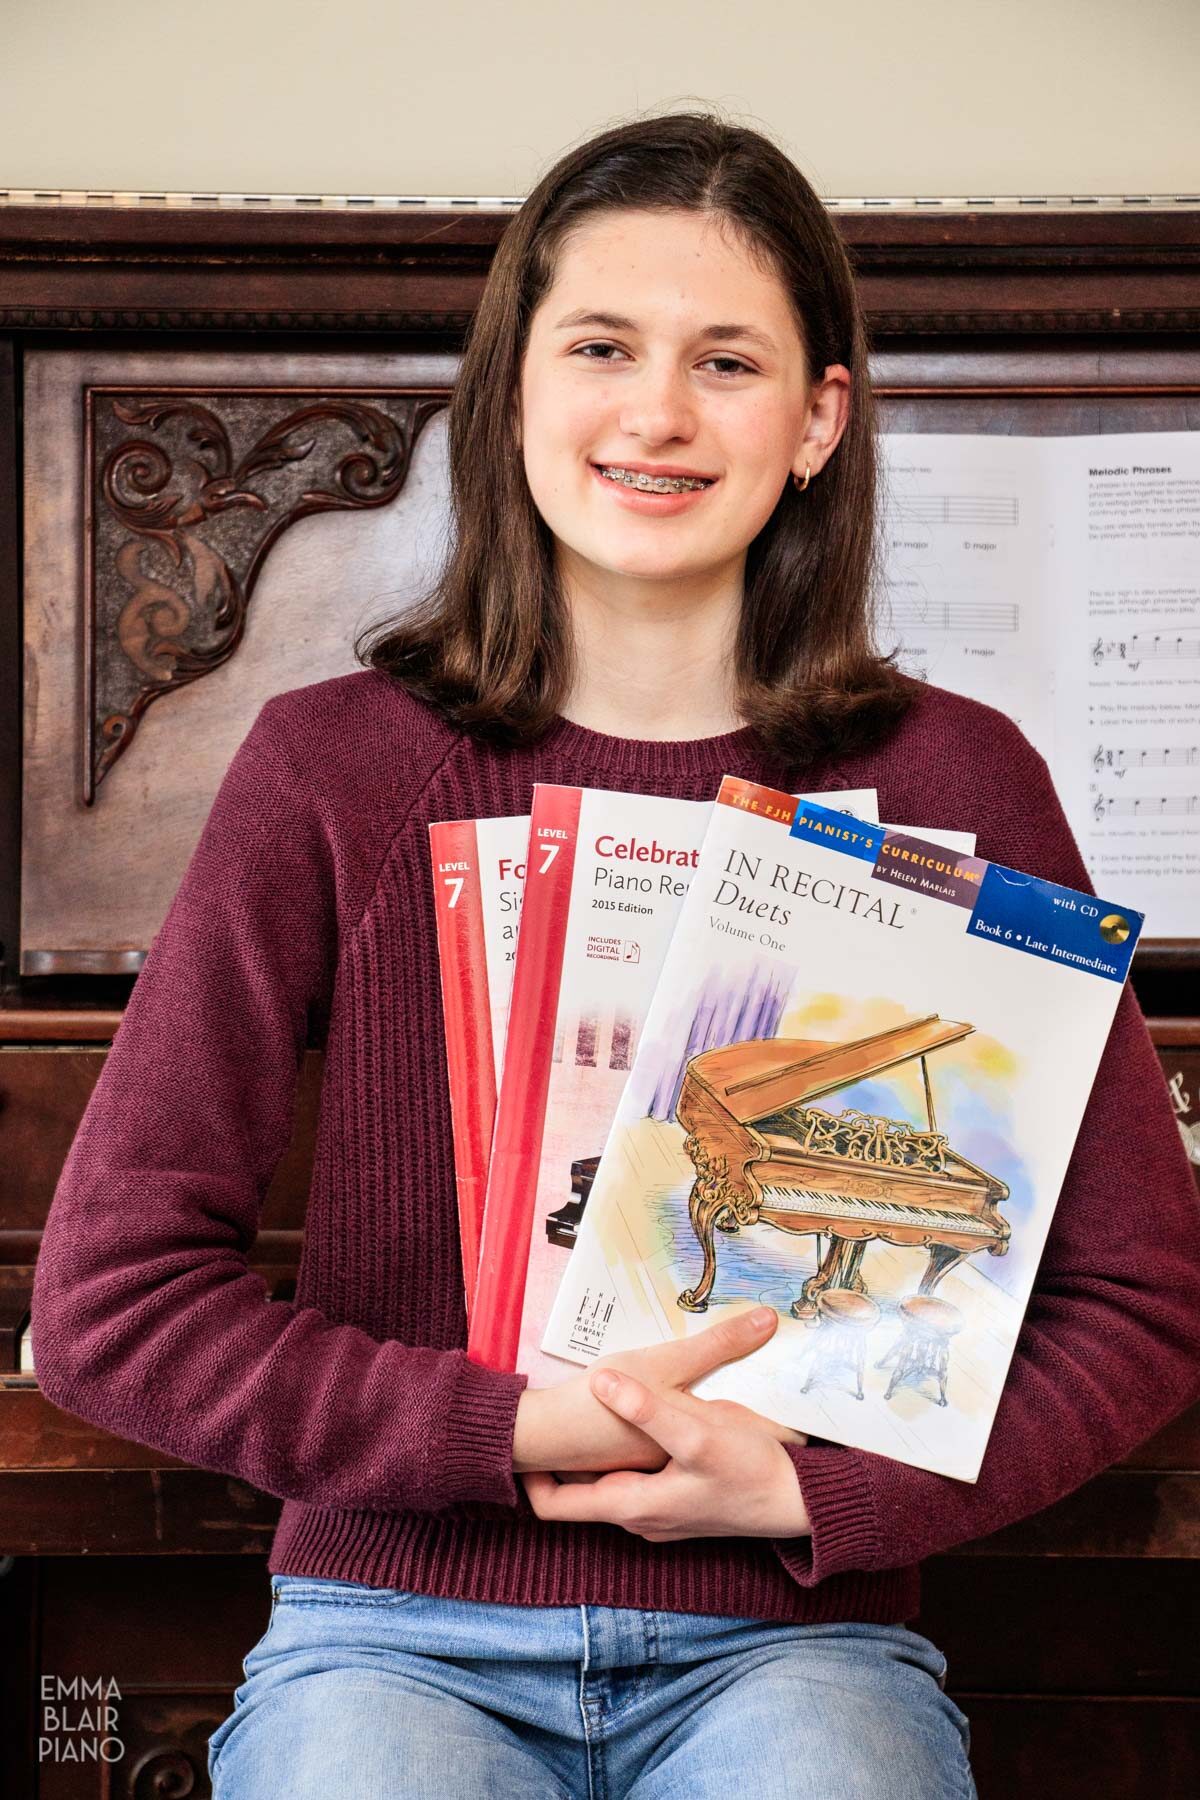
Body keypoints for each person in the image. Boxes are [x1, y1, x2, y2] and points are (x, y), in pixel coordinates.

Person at [31, 110, 1200, 1800]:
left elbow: (1142, 1308)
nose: (657, 412)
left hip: (804, 1631)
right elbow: (108, 1308)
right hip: (390, 1619)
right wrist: (502, 1430)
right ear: (512, 391)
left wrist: (826, 1498)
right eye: (601, 348)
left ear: (817, 423)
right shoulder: (327, 768)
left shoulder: (964, 782)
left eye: (727, 362)